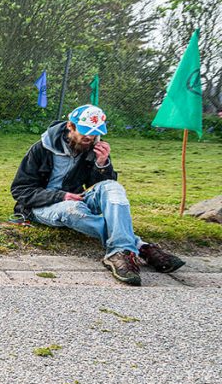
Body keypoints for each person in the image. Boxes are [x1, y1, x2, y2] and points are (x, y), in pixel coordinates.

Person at [11, 105, 184, 286]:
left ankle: (119, 252)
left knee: (113, 187)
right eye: (85, 131)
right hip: (45, 205)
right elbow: (20, 190)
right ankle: (140, 247)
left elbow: (100, 187)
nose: (90, 137)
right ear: (70, 126)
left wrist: (102, 164)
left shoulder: (93, 147)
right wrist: (60, 196)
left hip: (79, 197)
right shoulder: (41, 148)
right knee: (72, 209)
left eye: (95, 133)